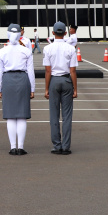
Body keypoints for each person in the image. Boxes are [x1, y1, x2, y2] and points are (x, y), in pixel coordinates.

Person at [0, 23, 34, 155]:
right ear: (20, 35)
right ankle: (21, 147)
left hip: (7, 80)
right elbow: (31, 72)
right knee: (22, 116)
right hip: (23, 79)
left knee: (10, 116)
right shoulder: (26, 51)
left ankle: (13, 147)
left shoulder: (2, 51)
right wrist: (32, 88)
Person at [44, 21, 78, 155]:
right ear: (65, 33)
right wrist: (75, 89)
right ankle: (66, 146)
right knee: (67, 116)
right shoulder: (70, 48)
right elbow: (73, 71)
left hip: (53, 80)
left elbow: (47, 70)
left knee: (54, 115)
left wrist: (46, 88)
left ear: (53, 33)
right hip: (66, 80)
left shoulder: (48, 48)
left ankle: (56, 145)